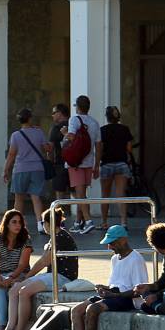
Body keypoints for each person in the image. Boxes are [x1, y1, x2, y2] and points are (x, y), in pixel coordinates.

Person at [60, 224, 150, 330]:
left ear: (123, 240)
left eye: (112, 243)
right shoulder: (115, 259)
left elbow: (137, 290)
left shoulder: (136, 259)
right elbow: (115, 283)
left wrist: (114, 295)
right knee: (76, 310)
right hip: (113, 294)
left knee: (93, 309)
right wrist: (105, 289)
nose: (109, 247)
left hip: (125, 298)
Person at [0, 208, 80, 330]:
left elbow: (44, 261)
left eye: (42, 223)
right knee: (14, 290)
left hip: (63, 278)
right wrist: (22, 279)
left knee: (24, 291)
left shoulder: (61, 237)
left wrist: (26, 277)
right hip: (51, 276)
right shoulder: (55, 236)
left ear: (47, 223)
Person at [3, 108, 51, 229]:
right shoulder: (38, 132)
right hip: (37, 168)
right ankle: (40, 224)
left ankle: (16, 224)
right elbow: (46, 149)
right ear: (30, 118)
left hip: (20, 169)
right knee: (36, 197)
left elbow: (11, 154)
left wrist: (6, 169)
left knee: (19, 198)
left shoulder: (16, 135)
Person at [63, 95, 102, 235]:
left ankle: (88, 221)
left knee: (79, 195)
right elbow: (98, 144)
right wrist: (97, 164)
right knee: (83, 193)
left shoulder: (74, 120)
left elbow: (71, 137)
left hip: (76, 161)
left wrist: (65, 133)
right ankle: (78, 222)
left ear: (77, 107)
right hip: (89, 161)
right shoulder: (95, 123)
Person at [98, 106, 134, 228]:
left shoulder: (102, 130)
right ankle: (123, 222)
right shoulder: (125, 129)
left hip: (107, 164)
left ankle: (104, 222)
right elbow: (129, 148)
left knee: (105, 194)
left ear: (106, 117)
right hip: (121, 164)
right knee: (121, 194)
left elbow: (100, 148)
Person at [47, 103, 72, 204]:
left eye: (54, 112)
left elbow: (50, 149)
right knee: (78, 195)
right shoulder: (73, 125)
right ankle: (80, 219)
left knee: (59, 197)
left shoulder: (55, 128)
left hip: (59, 165)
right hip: (74, 163)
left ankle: (58, 219)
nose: (52, 115)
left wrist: (50, 163)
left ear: (60, 113)